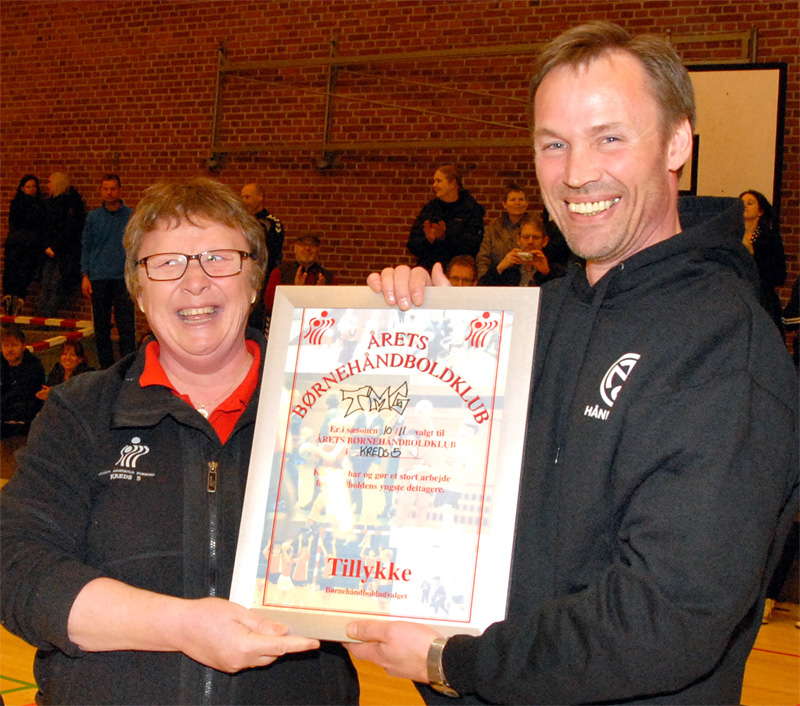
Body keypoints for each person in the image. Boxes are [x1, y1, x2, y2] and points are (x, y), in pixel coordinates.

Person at [349, 21, 798, 705]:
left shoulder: (725, 349)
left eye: (609, 138)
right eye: (553, 144)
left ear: (677, 143)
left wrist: (457, 662)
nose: (577, 172)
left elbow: (667, 616)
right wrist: (417, 337)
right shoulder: (536, 316)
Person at [0, 178, 359, 704]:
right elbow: (15, 565)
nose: (195, 281)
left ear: (255, 280)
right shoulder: (81, 411)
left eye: (219, 258)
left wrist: (431, 319)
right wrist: (181, 626)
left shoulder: (335, 409)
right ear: (138, 290)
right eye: (166, 262)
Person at [80, 173, 136, 369]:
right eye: (106, 189)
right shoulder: (93, 217)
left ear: (119, 190)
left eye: (113, 188)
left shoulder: (131, 216)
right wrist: (85, 275)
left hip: (123, 277)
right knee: (101, 327)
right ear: (101, 191)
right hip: (99, 277)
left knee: (126, 325)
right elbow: (86, 246)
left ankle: (129, 366)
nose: (109, 192)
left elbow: (137, 245)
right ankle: (106, 368)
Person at [407, 164, 485, 272]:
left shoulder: (471, 210)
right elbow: (412, 244)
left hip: (458, 272)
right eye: (434, 181)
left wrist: (445, 237)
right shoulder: (430, 209)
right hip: (429, 268)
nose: (434, 185)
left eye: (439, 181)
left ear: (452, 184)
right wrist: (428, 240)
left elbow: (473, 246)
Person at [36, 172, 86, 317]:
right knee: (46, 283)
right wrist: (47, 245)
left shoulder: (70, 204)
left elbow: (70, 229)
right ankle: (41, 315)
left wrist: (55, 247)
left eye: (50, 182)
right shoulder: (50, 204)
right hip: (50, 250)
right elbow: (44, 228)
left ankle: (47, 315)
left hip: (64, 252)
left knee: (55, 284)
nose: (48, 186)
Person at [740, 189, 786, 334]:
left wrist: (753, 254)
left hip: (762, 297)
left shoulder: (770, 238)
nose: (745, 206)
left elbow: (779, 275)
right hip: (737, 295)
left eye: (750, 203)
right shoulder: (731, 235)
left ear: (760, 211)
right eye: (742, 203)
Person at [241, 183, 286, 331]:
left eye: (247, 197)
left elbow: (271, 254)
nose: (244, 201)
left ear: (260, 197)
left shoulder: (271, 223)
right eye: (242, 197)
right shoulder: (241, 223)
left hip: (264, 281)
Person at [2, 175, 48, 315]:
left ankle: (17, 299)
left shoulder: (39, 204)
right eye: (29, 187)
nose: (32, 189)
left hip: (29, 244)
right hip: (18, 243)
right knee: (13, 270)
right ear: (22, 188)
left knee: (24, 272)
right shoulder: (18, 203)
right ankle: (9, 298)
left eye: (34, 186)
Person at [478, 213, 565, 286]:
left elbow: (564, 293)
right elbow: (482, 289)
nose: (530, 242)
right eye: (526, 237)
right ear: (518, 240)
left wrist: (547, 273)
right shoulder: (509, 269)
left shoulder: (557, 270)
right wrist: (500, 268)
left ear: (545, 241)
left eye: (535, 238)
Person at [263, 233, 338, 315]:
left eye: (313, 245)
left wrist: (323, 294)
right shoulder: (280, 272)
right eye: (303, 244)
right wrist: (295, 292)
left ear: (318, 250)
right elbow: (269, 305)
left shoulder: (328, 277)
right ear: (295, 248)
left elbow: (335, 310)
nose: (307, 248)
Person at [475, 182, 529, 279]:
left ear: (526, 204)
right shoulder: (493, 228)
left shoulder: (535, 227)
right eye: (513, 200)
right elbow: (483, 258)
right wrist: (484, 281)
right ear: (504, 204)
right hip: (498, 278)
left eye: (521, 199)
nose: (517, 203)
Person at [1, 324, 45, 439]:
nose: (10, 350)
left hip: (24, 424)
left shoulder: (34, 366)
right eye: (6, 346)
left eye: (14, 345)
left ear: (23, 346)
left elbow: (20, 395)